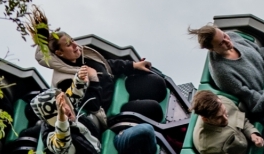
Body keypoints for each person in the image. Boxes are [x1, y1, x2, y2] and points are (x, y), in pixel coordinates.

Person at [31, 8, 167, 124]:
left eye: (73, 40)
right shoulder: (65, 81)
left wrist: (133, 65)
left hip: (117, 89)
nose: (75, 46)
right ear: (59, 53)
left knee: (158, 84)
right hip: (109, 111)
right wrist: (94, 79)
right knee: (154, 109)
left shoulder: (82, 56)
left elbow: (106, 65)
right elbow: (93, 106)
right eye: (69, 45)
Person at [30, 68, 158, 154]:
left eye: (65, 105)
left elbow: (74, 93)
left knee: (146, 129)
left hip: (106, 144)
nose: (68, 109)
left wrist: (79, 78)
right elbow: (62, 141)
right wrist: (62, 118)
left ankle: (150, 153)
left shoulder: (68, 105)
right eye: (60, 110)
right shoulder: (53, 139)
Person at [188, 24, 264, 117]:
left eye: (224, 36)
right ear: (212, 48)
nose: (227, 41)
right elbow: (245, 94)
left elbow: (259, 51)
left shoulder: (233, 36)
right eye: (221, 43)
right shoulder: (221, 72)